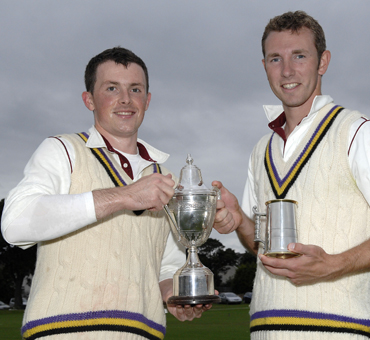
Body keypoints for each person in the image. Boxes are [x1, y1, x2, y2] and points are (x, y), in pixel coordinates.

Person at [213, 11, 370, 340]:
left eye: (299, 56)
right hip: (265, 330)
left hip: (342, 330)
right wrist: (240, 220)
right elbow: (263, 248)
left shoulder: (357, 132)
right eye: (276, 59)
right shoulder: (261, 149)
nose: (287, 70)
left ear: (323, 62)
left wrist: (333, 264)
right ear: (264, 67)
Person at [1, 47, 212, 340]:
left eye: (135, 89)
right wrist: (122, 196)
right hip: (63, 332)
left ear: (147, 100)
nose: (126, 99)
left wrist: (172, 293)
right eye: (112, 88)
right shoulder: (63, 150)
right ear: (89, 99)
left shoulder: (162, 179)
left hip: (142, 332)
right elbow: (15, 223)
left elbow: (166, 264)